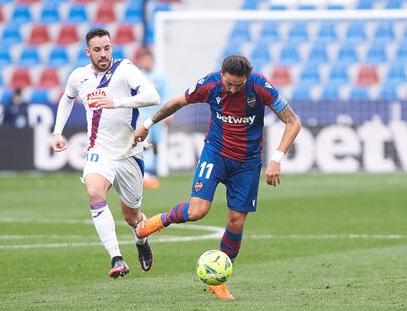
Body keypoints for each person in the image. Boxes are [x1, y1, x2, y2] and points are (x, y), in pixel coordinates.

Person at [133, 55, 301, 299]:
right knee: (197, 211)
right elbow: (177, 102)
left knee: (236, 222)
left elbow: (293, 121)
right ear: (222, 74)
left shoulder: (260, 87)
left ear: (247, 78)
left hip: (247, 162)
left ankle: (218, 280)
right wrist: (148, 123)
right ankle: (155, 223)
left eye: (238, 85)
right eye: (229, 84)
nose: (232, 89)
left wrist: (276, 158)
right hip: (216, 154)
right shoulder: (210, 84)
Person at [51, 28, 160, 278]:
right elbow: (67, 99)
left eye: (107, 48)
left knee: (132, 216)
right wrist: (58, 131)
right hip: (99, 152)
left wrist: (117, 102)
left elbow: (152, 96)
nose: (103, 54)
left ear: (112, 47)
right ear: (87, 52)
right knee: (94, 193)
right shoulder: (78, 76)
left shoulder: (125, 70)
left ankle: (141, 241)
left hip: (129, 153)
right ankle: (117, 259)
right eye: (97, 50)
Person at [136, 47, 170, 189]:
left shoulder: (160, 76)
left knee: (155, 145)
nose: (146, 63)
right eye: (144, 60)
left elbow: (166, 95)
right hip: (142, 115)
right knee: (144, 144)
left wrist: (169, 113)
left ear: (153, 61)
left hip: (157, 115)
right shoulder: (138, 76)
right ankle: (146, 174)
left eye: (148, 60)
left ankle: (153, 173)